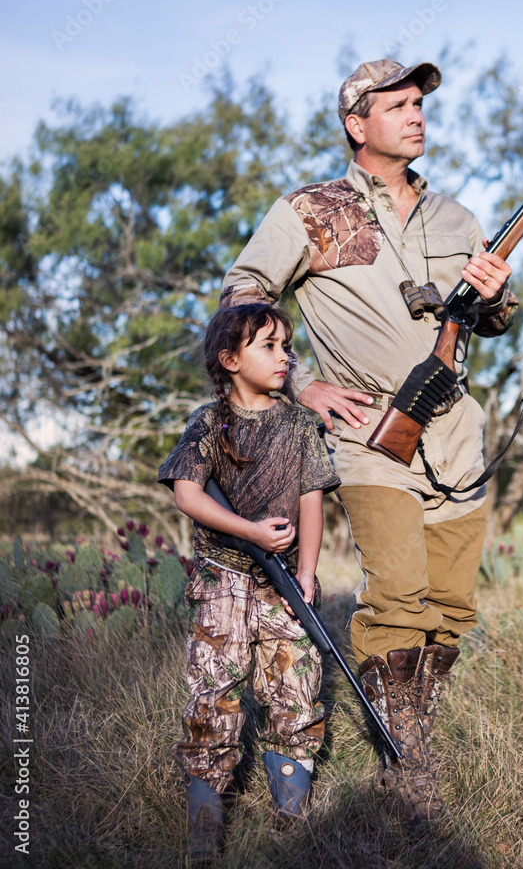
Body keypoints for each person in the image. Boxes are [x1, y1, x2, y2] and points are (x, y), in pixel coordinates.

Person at [220, 58, 517, 822]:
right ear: (358, 123)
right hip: (368, 434)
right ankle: (407, 759)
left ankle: (413, 720)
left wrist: (493, 298)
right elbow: (242, 295)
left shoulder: (455, 216)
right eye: (398, 105)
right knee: (399, 596)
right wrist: (299, 385)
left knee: (451, 607)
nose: (416, 115)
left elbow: (495, 317)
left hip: (456, 430)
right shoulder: (308, 210)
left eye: (420, 103)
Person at [158, 303, 339, 860]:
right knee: (214, 690)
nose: (285, 356)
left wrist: (306, 572)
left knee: (295, 686)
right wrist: (251, 532)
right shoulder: (210, 422)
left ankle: (292, 821)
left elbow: (312, 498)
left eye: (287, 345)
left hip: (283, 582)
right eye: (269, 346)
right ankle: (206, 829)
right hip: (223, 578)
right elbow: (187, 493)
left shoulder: (299, 424)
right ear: (230, 359)